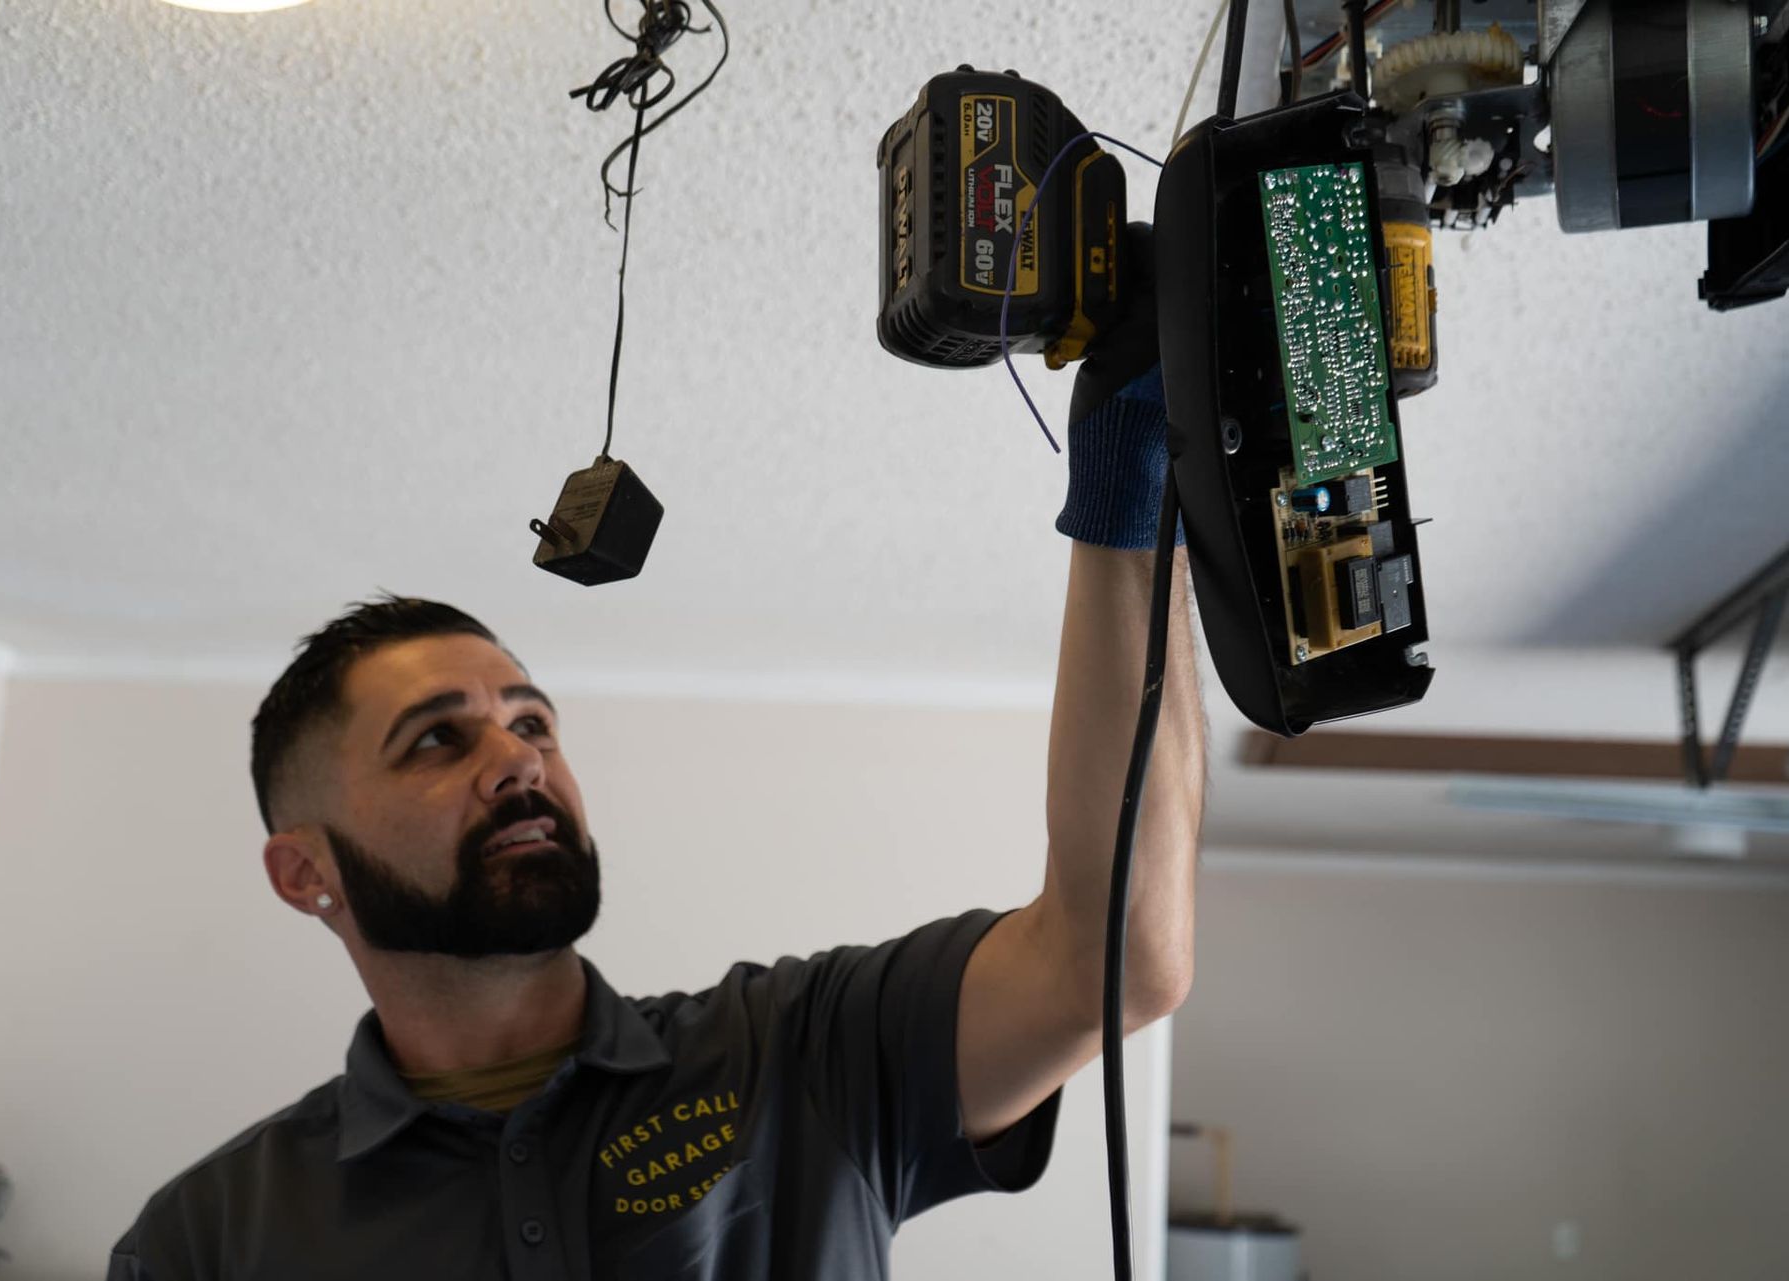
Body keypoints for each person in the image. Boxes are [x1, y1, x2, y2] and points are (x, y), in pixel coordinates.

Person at [106, 343, 1204, 1280]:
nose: (516, 762)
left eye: (532, 725)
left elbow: (1114, 962)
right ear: (306, 873)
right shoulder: (205, 1240)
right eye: (437, 739)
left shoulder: (803, 1049)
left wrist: (1129, 493)